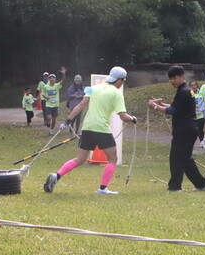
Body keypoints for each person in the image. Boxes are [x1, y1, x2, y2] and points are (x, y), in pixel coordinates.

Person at [43, 66, 138, 195]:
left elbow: (81, 105)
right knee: (112, 159)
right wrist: (133, 119)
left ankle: (56, 176)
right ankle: (102, 189)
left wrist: (68, 120)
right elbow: (123, 116)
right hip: (102, 129)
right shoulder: (117, 94)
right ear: (120, 80)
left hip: (87, 127)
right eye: (123, 80)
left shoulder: (94, 88)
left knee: (80, 159)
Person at [147, 65, 205, 192]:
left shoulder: (183, 91)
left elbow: (171, 111)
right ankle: (202, 184)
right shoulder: (188, 90)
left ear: (182, 76)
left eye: (174, 78)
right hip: (190, 129)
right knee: (185, 159)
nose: (172, 81)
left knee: (176, 158)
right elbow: (178, 107)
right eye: (170, 79)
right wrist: (161, 104)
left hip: (184, 130)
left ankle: (175, 187)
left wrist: (154, 107)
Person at [41, 68, 67, 135]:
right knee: (49, 117)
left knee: (54, 120)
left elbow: (63, 81)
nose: (52, 79)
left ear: (55, 79)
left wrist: (63, 74)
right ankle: (47, 121)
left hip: (55, 105)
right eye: (51, 78)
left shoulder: (57, 86)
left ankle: (51, 131)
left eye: (53, 78)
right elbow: (42, 93)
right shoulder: (46, 86)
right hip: (48, 105)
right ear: (49, 79)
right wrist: (45, 96)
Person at [190, 80, 205, 147]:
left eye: (194, 85)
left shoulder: (201, 92)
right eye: (192, 85)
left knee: (200, 128)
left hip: (201, 114)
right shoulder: (190, 93)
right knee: (194, 129)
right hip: (193, 114)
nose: (193, 86)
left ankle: (202, 141)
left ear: (197, 85)